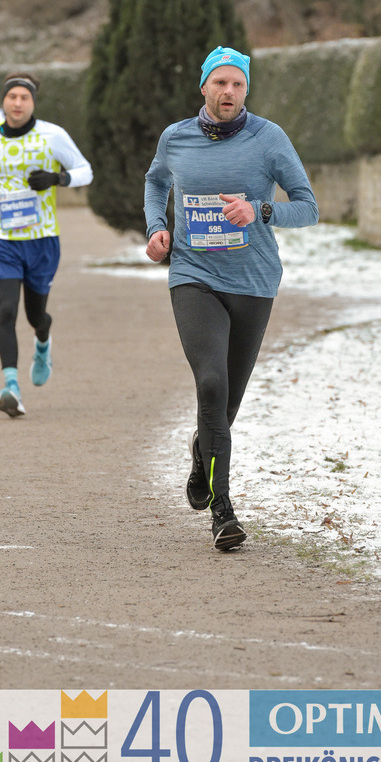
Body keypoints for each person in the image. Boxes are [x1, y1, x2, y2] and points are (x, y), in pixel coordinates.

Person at [144, 46, 319, 551]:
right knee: (211, 383)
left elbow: (308, 207)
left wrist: (260, 210)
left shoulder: (268, 138)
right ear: (204, 86)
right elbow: (156, 182)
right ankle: (223, 512)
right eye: (220, 82)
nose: (229, 92)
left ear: (246, 89)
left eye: (238, 84)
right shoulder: (176, 137)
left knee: (227, 403)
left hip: (252, 282)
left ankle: (203, 451)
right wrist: (156, 228)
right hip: (193, 276)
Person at [0, 72, 93, 418]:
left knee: (35, 315)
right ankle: (11, 387)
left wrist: (57, 178)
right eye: (12, 97)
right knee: (6, 310)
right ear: (3, 102)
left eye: (24, 97)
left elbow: (86, 170)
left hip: (42, 240)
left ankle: (43, 343)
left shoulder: (53, 135)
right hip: (2, 239)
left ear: (33, 102)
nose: (18, 103)